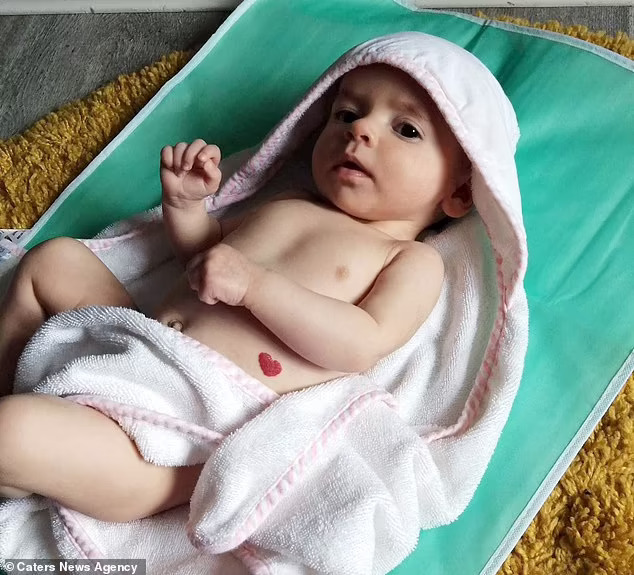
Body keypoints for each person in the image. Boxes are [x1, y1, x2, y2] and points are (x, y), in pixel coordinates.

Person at [0, 63, 472, 522]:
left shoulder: (409, 259)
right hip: (141, 344)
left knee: (10, 433)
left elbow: (362, 343)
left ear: (459, 193)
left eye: (407, 129)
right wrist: (186, 206)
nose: (360, 129)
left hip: (180, 433)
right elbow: (205, 259)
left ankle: (140, 479)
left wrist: (255, 286)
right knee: (53, 261)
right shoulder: (289, 204)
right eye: (346, 114)